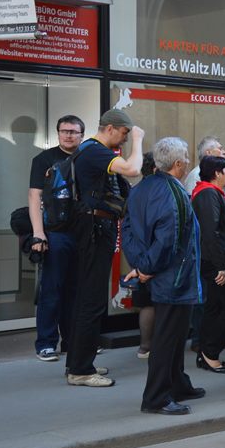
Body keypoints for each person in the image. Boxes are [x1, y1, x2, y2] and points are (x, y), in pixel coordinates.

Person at [122, 137, 204, 415]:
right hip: (173, 277)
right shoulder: (174, 192)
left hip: (160, 273)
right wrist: (145, 268)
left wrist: (140, 265)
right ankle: (156, 397)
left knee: (174, 335)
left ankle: (178, 383)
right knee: (168, 338)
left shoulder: (142, 187)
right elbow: (168, 238)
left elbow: (129, 230)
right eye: (188, 160)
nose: (190, 163)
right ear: (178, 164)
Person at [66, 109, 143, 387]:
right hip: (94, 230)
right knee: (92, 300)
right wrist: (139, 139)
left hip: (96, 228)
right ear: (111, 128)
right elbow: (133, 169)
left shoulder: (93, 151)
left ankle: (79, 362)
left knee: (90, 298)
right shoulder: (95, 151)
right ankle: (80, 371)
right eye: (123, 133)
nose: (123, 141)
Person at [28, 115, 85, 361]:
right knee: (52, 289)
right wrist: (38, 234)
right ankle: (46, 343)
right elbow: (34, 197)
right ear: (58, 133)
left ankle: (73, 343)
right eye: (64, 131)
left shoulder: (87, 157)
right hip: (55, 233)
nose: (69, 135)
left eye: (74, 131)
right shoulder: (44, 159)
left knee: (76, 291)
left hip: (82, 234)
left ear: (82, 134)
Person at [191, 156, 225, 373]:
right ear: (217, 173)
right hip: (219, 264)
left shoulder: (212, 194)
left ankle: (207, 352)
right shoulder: (208, 194)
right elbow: (210, 232)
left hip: (220, 261)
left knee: (215, 307)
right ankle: (210, 352)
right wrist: (220, 265)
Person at [133, 152, 157, 359]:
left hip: (139, 258)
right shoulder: (160, 192)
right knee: (159, 304)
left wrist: (138, 264)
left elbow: (127, 231)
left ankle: (145, 346)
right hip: (157, 257)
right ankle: (154, 347)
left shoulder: (134, 191)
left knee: (146, 304)